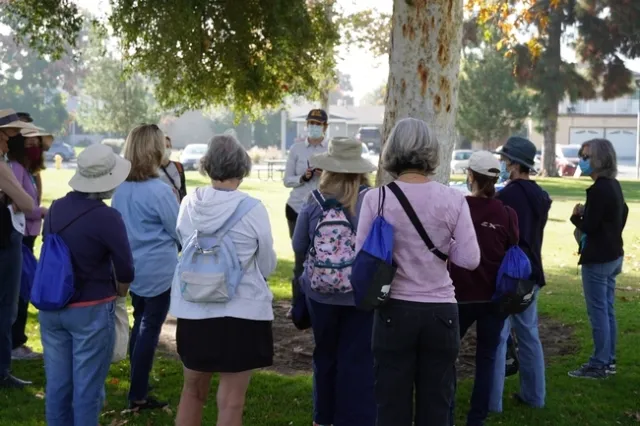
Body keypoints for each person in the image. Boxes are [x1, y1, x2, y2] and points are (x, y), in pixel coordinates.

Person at [356, 118, 480, 426]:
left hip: (393, 310)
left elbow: (361, 258)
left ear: (392, 150)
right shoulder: (453, 199)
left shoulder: (377, 198)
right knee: (437, 406)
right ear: (431, 151)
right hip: (441, 312)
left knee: (391, 406)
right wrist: (443, 241)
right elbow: (470, 259)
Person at [172, 134, 277, 426]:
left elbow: (183, 242)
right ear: (242, 168)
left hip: (195, 308)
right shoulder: (253, 208)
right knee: (232, 402)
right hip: (242, 311)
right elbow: (267, 261)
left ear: (208, 166)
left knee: (192, 392)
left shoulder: (190, 203)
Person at [39, 143, 134, 425]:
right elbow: (126, 269)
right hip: (91, 309)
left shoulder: (55, 209)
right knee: (88, 389)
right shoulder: (108, 217)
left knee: (57, 386)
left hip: (53, 307)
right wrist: (120, 294)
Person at [292, 137, 376, 426]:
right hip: (360, 295)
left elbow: (298, 244)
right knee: (358, 360)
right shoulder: (371, 200)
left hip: (320, 294)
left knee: (325, 356)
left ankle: (322, 418)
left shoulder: (314, 201)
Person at [112, 124, 180, 410]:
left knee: (140, 323)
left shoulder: (121, 188)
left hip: (130, 267)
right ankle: (138, 393)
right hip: (158, 270)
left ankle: (138, 382)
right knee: (148, 328)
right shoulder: (160, 191)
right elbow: (179, 230)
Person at [449, 151, 519, 426]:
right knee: (487, 359)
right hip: (495, 296)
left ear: (471, 177)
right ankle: (476, 419)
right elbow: (513, 244)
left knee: (447, 358)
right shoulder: (507, 213)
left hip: (459, 294)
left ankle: (447, 411)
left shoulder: (457, 207)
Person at [490, 136, 551, 412]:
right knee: (529, 335)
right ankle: (535, 396)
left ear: (514, 164)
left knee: (499, 336)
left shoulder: (506, 196)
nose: (502, 164)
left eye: (505, 161)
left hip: (508, 273)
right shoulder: (540, 195)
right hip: (532, 273)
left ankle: (493, 402)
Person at [568, 138, 627, 379]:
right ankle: (608, 360)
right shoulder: (613, 185)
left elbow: (590, 227)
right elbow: (621, 213)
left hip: (598, 259)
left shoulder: (599, 189)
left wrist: (576, 218)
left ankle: (599, 363)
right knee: (607, 310)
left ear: (599, 160)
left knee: (599, 312)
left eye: (585, 157)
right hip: (613, 255)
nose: (581, 161)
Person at [0, 109, 37, 388]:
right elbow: (26, 203)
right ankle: (2, 371)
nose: (9, 142)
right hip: (5, 240)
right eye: (8, 135)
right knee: (6, 308)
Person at [7, 129, 51, 360]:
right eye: (29, 142)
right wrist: (41, 212)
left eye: (37, 141)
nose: (34, 145)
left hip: (28, 235)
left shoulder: (27, 170)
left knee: (22, 288)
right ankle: (14, 344)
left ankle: (16, 342)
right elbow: (18, 205)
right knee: (20, 291)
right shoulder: (15, 168)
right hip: (20, 234)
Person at [283, 109, 329, 316]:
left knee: (322, 258)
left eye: (318, 124)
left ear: (325, 127)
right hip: (296, 208)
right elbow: (287, 180)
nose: (314, 126)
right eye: (311, 123)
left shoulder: (331, 150)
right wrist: (303, 177)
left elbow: (338, 181)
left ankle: (317, 305)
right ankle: (298, 306)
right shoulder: (296, 149)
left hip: (322, 211)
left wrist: (324, 173)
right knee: (300, 259)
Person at [159, 136, 187, 201]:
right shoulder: (152, 169)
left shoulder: (178, 166)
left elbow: (183, 190)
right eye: (163, 147)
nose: (166, 149)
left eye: (168, 146)